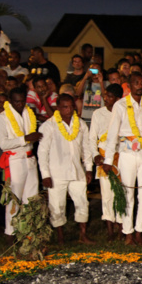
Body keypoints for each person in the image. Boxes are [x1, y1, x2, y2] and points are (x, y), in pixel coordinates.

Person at [102, 72, 142, 245]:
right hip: (126, 155)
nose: (139, 85)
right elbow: (112, 134)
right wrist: (108, 160)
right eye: (136, 83)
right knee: (127, 193)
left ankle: (140, 230)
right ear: (129, 86)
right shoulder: (120, 105)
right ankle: (128, 232)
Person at [38, 94, 94, 244]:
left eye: (71, 106)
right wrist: (45, 174)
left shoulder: (81, 124)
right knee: (57, 205)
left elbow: (86, 148)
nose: (69, 110)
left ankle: (83, 234)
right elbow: (42, 152)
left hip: (77, 171)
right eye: (65, 107)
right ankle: (60, 237)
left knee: (82, 202)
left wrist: (88, 168)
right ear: (58, 108)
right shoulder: (49, 126)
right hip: (56, 173)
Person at [0, 87, 42, 245]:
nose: (20, 104)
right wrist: (25, 138)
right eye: (16, 101)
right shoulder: (2, 118)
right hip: (14, 160)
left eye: (22, 101)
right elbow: (3, 143)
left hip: (29, 158)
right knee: (14, 198)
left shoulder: (29, 113)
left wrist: (31, 139)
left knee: (31, 197)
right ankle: (10, 234)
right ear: (9, 101)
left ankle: (29, 232)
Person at [90, 83, 123, 238]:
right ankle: (110, 229)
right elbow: (92, 139)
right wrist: (95, 154)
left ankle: (122, 225)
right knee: (107, 193)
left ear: (118, 99)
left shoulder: (123, 112)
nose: (105, 99)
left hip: (121, 156)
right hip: (104, 156)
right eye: (105, 95)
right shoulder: (98, 114)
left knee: (122, 192)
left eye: (109, 96)